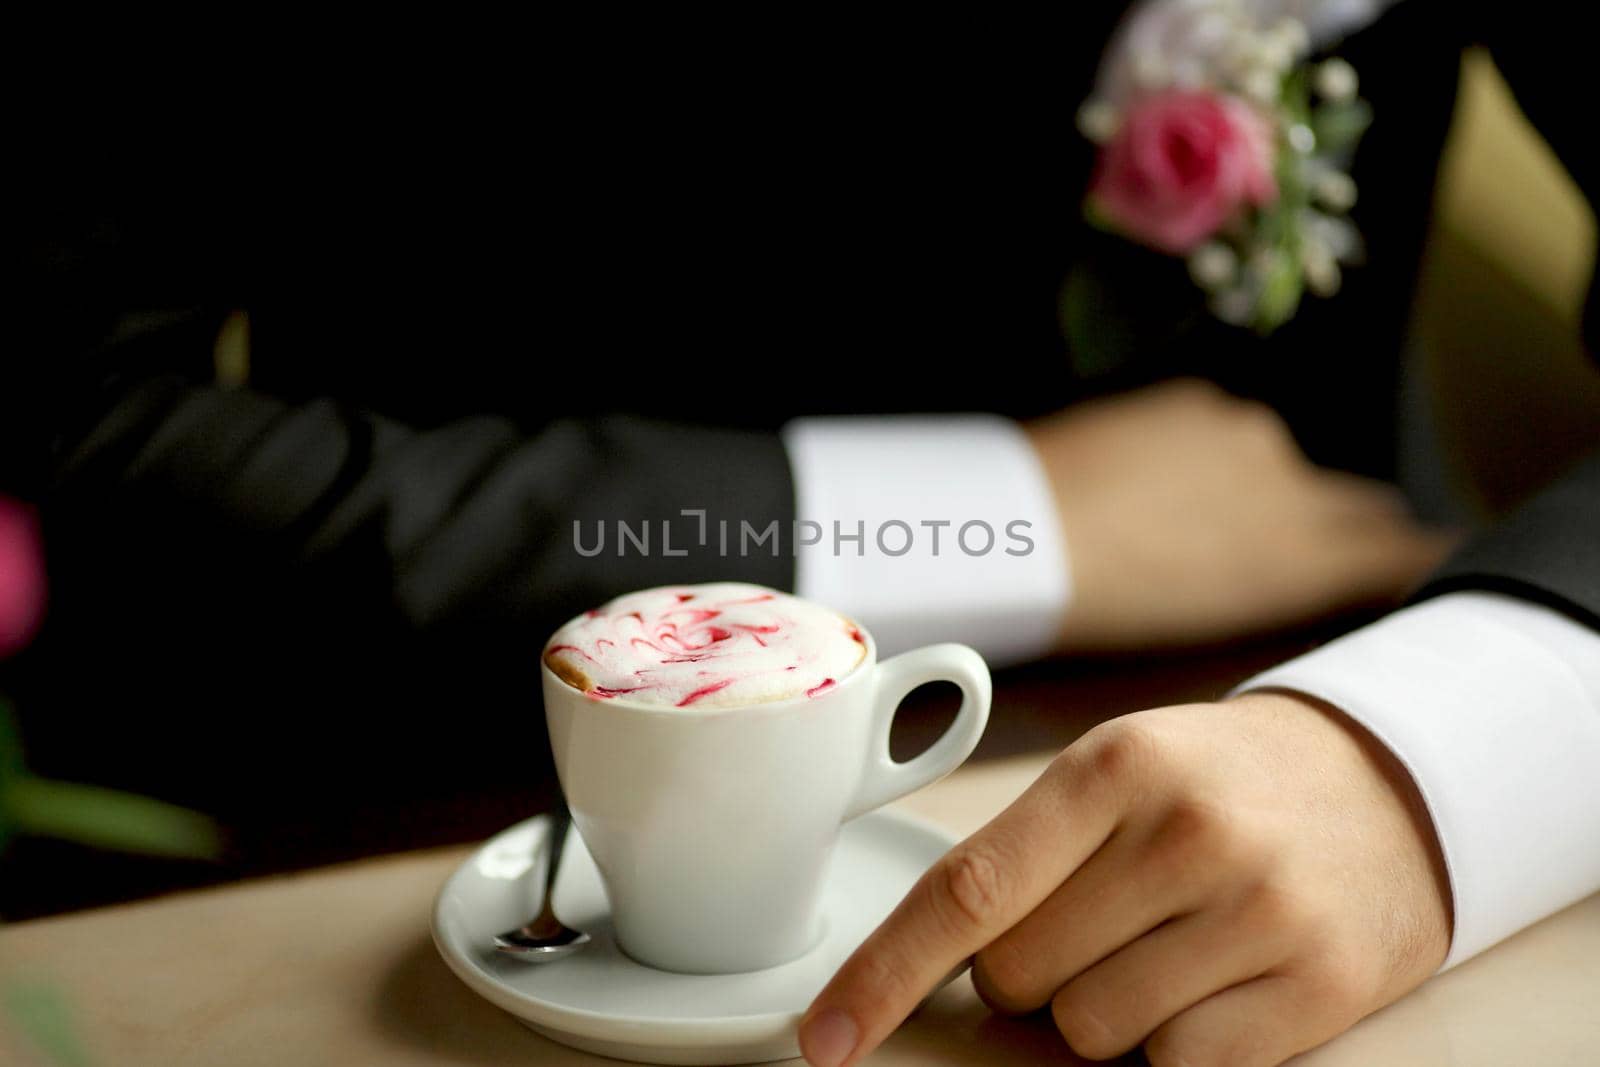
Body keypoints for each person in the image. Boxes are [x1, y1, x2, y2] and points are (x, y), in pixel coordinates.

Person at [4, 1, 1597, 1061]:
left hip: (1294, 740)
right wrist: (988, 528)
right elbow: (65, 417)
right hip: (399, 779)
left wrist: (1447, 750)